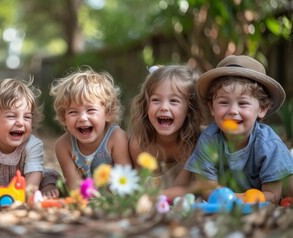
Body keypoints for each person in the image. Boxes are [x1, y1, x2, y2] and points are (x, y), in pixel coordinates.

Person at [184, 55, 293, 204]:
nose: (233, 110)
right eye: (223, 102)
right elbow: (208, 190)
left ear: (262, 109)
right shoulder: (209, 139)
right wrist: (236, 199)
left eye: (242, 103)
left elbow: (272, 196)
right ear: (211, 107)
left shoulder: (268, 144)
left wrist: (236, 198)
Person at [0, 78, 60, 198]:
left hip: (23, 186)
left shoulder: (32, 145)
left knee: (45, 177)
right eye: (11, 116)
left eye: (27, 117)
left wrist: (24, 197)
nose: (20, 122)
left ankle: (48, 188)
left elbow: (32, 180)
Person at [49, 67, 132, 190]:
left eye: (91, 110)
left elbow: (126, 183)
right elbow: (75, 188)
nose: (82, 118)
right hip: (86, 199)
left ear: (108, 113)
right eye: (73, 112)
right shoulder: (63, 146)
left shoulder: (117, 138)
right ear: (64, 116)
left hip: (115, 200)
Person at [128, 65, 203, 198]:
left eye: (174, 101)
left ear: (190, 110)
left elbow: (188, 188)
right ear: (146, 105)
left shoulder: (197, 141)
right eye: (155, 100)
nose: (164, 107)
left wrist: (153, 197)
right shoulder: (139, 144)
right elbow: (136, 188)